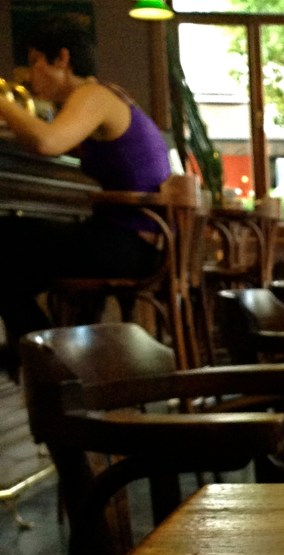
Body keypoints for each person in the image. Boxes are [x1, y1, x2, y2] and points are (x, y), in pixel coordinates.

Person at [0, 16, 172, 379]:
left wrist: (3, 102)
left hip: (127, 246)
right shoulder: (107, 97)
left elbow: (47, 141)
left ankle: (54, 368)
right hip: (139, 243)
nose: (29, 76)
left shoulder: (93, 95)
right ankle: (50, 364)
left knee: (5, 238)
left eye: (35, 62)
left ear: (62, 59)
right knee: (11, 272)